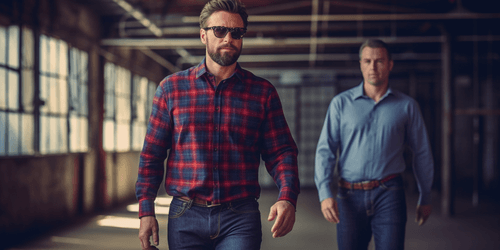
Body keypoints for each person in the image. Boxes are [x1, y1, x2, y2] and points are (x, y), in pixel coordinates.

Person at [135, 0, 300, 249]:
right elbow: (152, 155)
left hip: (240, 216)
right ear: (203, 35)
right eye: (219, 30)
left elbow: (281, 152)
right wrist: (146, 210)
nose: (228, 38)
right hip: (185, 215)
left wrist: (287, 196)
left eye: (236, 32)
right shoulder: (171, 89)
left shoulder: (262, 92)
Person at [314, 39, 434, 250]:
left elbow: (422, 152)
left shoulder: (407, 106)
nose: (373, 67)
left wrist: (425, 195)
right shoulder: (341, 104)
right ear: (360, 64)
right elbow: (326, 150)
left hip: (389, 193)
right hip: (348, 196)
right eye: (367, 61)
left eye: (379, 61)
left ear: (390, 64)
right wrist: (324, 192)